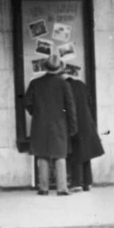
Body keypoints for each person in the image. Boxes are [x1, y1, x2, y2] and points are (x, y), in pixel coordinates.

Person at [24, 54, 77, 196]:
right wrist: (72, 127)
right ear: (59, 68)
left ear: (46, 67)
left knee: (42, 155)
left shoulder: (35, 83)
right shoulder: (64, 84)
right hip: (59, 124)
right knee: (60, 155)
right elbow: (70, 107)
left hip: (40, 124)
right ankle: (62, 188)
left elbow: (27, 103)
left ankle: (43, 188)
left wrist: (37, 113)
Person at [64, 69, 104, 192]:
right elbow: (89, 101)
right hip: (86, 122)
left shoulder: (64, 87)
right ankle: (87, 182)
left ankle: (77, 183)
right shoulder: (81, 84)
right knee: (85, 153)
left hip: (74, 122)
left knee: (76, 152)